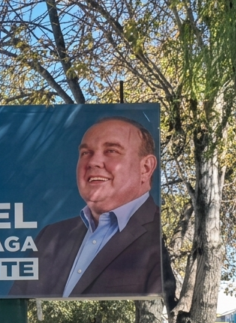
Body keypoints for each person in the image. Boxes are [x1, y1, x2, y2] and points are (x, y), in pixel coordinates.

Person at [10, 116, 161, 297]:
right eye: (85, 153)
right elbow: (16, 303)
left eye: (111, 151)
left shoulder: (161, 235)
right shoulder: (51, 236)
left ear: (146, 168)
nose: (93, 162)